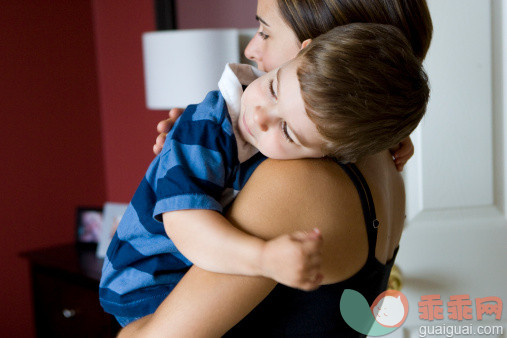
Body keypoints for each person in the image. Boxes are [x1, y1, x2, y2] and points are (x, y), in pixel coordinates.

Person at [119, 0, 434, 336]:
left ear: (320, 46)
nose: (252, 50)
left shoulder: (297, 180)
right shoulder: (384, 160)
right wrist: (209, 145)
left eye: (265, 32)